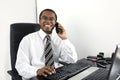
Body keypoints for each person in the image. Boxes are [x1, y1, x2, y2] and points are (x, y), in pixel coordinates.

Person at [15, 8, 78, 80]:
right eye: (44, 18)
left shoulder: (58, 40)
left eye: (52, 19)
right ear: (39, 21)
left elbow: (72, 60)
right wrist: (37, 71)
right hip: (35, 76)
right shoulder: (27, 39)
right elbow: (21, 66)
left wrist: (65, 39)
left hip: (55, 75)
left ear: (55, 23)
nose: (48, 21)